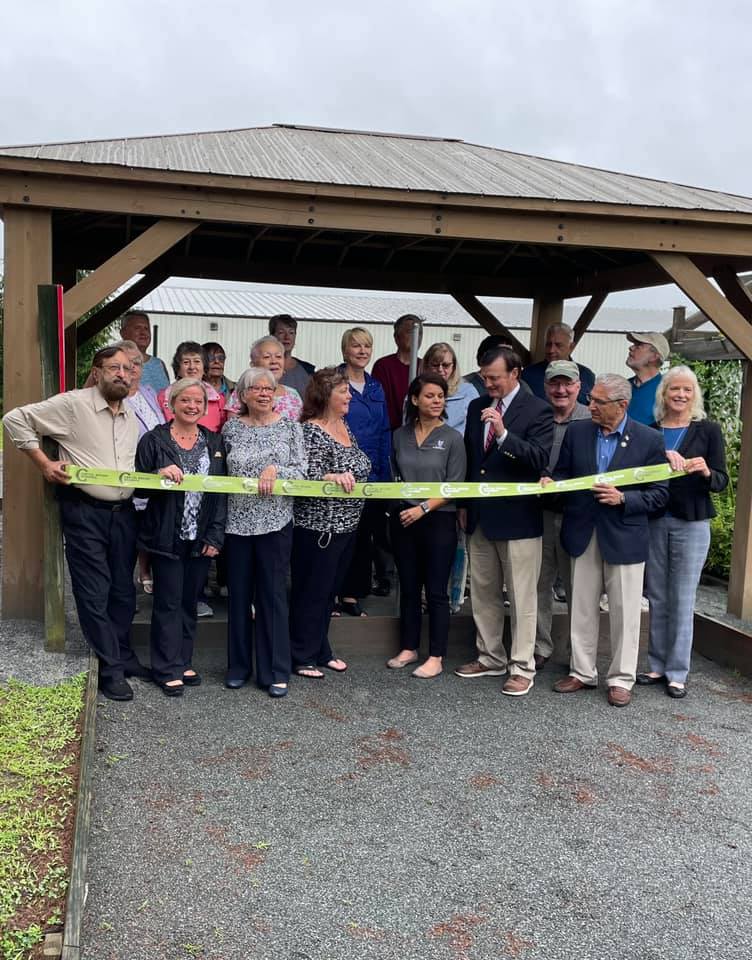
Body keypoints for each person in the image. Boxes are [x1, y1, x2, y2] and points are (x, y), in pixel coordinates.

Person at [3, 345, 148, 701]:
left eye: (129, 369)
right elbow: (14, 419)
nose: (122, 374)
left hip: (124, 515)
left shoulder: (130, 415)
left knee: (123, 592)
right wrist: (44, 464)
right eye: (114, 367)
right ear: (97, 371)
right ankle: (110, 669)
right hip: (86, 513)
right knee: (94, 592)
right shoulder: (73, 405)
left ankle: (123, 656)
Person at [550, 374, 669, 707]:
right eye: (591, 399)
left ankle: (620, 679)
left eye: (598, 402)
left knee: (625, 612)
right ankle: (582, 671)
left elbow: (660, 495)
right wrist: (552, 481)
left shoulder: (649, 440)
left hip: (625, 534)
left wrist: (624, 500)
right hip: (582, 530)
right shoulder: (577, 431)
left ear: (622, 406)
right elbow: (563, 475)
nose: (591, 406)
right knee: (581, 607)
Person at [456, 345, 554, 696]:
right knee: (482, 593)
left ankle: (522, 666)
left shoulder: (538, 410)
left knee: (522, 596)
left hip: (519, 519)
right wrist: (466, 503)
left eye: (494, 377)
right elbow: (471, 460)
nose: (488, 384)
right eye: (484, 377)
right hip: (481, 516)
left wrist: (503, 435)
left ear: (516, 374)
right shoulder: (474, 407)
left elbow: (538, 458)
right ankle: (489, 656)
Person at [638, 366, 728, 698]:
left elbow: (721, 480)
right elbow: (640, 475)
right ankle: (657, 664)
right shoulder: (651, 432)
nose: (680, 395)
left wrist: (705, 470)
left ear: (695, 395)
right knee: (657, 595)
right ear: (664, 393)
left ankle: (678, 672)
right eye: (675, 389)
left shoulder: (709, 430)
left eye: (687, 390)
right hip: (656, 519)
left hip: (692, 522)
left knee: (682, 597)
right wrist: (661, 457)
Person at [136, 379, 227, 696]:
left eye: (198, 402)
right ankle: (165, 667)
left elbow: (221, 495)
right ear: (171, 404)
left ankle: (183, 660)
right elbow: (139, 489)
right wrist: (156, 476)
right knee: (167, 603)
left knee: (190, 603)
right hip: (166, 536)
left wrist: (215, 535)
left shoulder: (214, 443)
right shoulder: (154, 440)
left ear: (205, 407)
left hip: (200, 536)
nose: (192, 406)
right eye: (185, 400)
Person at [222, 367, 307, 697]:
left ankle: (275, 671)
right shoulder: (230, 429)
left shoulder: (289, 428)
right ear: (242, 396)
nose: (263, 393)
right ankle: (238, 667)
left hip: (276, 522)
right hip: (237, 524)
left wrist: (276, 469)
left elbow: (302, 470)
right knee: (239, 597)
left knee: (272, 597)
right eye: (255, 389)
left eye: (269, 389)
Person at [289, 369, 371, 678]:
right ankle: (301, 654)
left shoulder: (344, 425)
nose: (350, 396)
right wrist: (330, 477)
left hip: (346, 527)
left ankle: (321, 649)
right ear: (326, 396)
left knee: (328, 593)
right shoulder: (311, 431)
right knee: (311, 591)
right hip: (318, 527)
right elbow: (303, 474)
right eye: (344, 391)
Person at [387, 374, 467, 678]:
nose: (437, 401)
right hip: (404, 520)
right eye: (430, 396)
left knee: (436, 591)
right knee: (408, 587)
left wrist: (422, 508)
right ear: (415, 400)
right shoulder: (399, 435)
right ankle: (409, 647)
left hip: (438, 521)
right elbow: (394, 477)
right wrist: (404, 510)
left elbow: (454, 485)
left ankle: (436, 655)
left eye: (440, 396)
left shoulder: (453, 438)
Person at [533, 361, 590, 671]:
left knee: (578, 587)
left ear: (578, 386)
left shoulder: (589, 419)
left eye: (567, 383)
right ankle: (540, 646)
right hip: (540, 513)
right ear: (546, 387)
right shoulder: (539, 417)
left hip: (576, 514)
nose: (561, 390)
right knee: (539, 584)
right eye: (555, 384)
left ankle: (577, 654)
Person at [338, 327, 392, 613]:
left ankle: (353, 592)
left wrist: (383, 471)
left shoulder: (376, 387)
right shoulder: (334, 381)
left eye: (367, 346)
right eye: (356, 346)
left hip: (372, 474)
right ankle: (334, 589)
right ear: (345, 350)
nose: (362, 351)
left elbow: (384, 429)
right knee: (340, 536)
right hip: (340, 473)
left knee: (364, 536)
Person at [118, 338, 166, 595]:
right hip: (129, 474)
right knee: (127, 542)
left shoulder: (147, 391)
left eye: (137, 362)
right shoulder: (115, 396)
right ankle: (125, 594)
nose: (133, 368)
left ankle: (145, 573)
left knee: (150, 534)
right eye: (126, 363)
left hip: (154, 474)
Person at [227, 336, 303, 420]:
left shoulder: (293, 395)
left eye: (278, 357)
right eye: (267, 357)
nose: (274, 361)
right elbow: (233, 428)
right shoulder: (243, 392)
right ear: (253, 364)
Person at [158, 342, 226, 433]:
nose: (192, 367)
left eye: (197, 361)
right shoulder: (164, 397)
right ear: (178, 369)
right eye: (186, 362)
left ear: (204, 368)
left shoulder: (219, 399)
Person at [521, 322, 595, 405]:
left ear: (571, 347)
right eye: (548, 344)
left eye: (558, 345)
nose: (551, 350)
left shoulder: (586, 375)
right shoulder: (528, 375)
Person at [372, 314, 423, 429]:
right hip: (389, 432)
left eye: (419, 333)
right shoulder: (383, 366)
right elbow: (379, 404)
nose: (416, 337)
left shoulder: (425, 367)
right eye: (410, 332)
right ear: (396, 337)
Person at [423, 342, 479, 434]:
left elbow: (477, 428)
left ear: (453, 366)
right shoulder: (417, 390)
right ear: (427, 365)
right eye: (435, 365)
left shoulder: (468, 391)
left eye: (445, 365)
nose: (440, 369)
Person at [464, 334, 532, 397]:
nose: (509, 357)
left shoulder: (520, 385)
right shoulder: (465, 384)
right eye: (502, 352)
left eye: (510, 353)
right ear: (485, 355)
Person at [625, 332, 669, 425]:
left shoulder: (666, 391)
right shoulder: (622, 386)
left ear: (654, 357)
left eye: (638, 345)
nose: (631, 348)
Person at [120, 311, 170, 392]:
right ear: (123, 333)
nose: (143, 333)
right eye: (137, 328)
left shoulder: (159, 364)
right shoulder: (114, 361)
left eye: (146, 328)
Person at [268, 314, 315, 396]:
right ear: (272, 336)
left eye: (291, 332)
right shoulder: (264, 369)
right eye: (281, 332)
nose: (287, 337)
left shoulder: (307, 370)